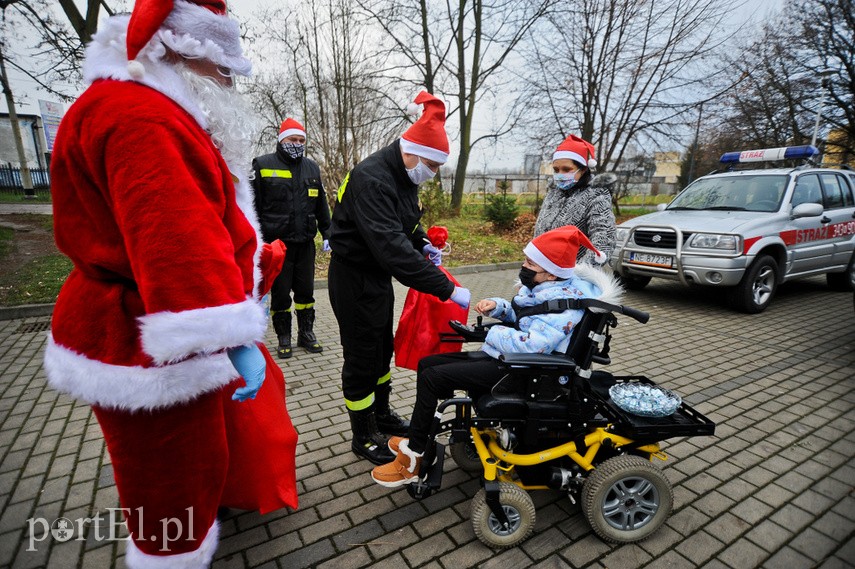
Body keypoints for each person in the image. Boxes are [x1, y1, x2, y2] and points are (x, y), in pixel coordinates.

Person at [43, 1, 298, 566]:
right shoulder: (144, 118)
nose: (229, 83)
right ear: (183, 50)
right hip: (153, 351)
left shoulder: (137, 106)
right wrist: (226, 335)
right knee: (172, 491)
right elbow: (177, 246)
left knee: (183, 477)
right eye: (222, 67)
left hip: (146, 334)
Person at [370, 225, 621, 487]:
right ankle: (421, 440)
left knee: (434, 377)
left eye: (529, 263)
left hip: (526, 374)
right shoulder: (549, 290)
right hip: (509, 361)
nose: (523, 266)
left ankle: (413, 460)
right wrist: (499, 308)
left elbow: (533, 345)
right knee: (427, 364)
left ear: (549, 273)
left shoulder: (563, 308)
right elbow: (523, 317)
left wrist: (490, 334)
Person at [328, 91, 471, 465]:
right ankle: (363, 434)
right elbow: (390, 248)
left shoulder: (403, 175)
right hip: (354, 278)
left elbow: (403, 224)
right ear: (413, 151)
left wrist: (422, 242)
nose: (434, 174)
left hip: (375, 278)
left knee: (381, 349)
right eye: (434, 165)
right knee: (361, 355)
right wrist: (446, 289)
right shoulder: (373, 178)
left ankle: (384, 415)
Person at [253, 118, 331, 358]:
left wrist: (328, 232)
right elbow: (252, 205)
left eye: (301, 140)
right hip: (277, 246)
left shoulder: (311, 168)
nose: (297, 144)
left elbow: (321, 205)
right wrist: (254, 240)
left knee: (306, 292)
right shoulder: (262, 164)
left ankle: (306, 333)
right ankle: (283, 337)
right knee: (280, 293)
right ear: (281, 140)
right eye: (292, 140)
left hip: (305, 244)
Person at [533, 134, 617, 265]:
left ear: (583, 169)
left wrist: (578, 273)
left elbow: (604, 238)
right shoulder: (554, 193)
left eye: (566, 169)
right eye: (556, 170)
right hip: (542, 271)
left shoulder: (596, 195)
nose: (560, 174)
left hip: (571, 277)